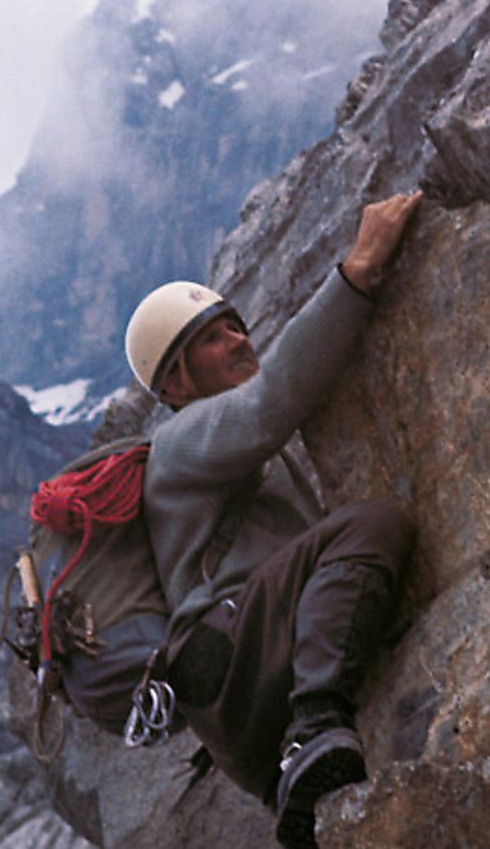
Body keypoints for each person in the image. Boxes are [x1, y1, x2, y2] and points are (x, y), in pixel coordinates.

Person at [122, 190, 423, 849]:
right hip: (238, 660)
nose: (237, 340)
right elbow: (270, 403)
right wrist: (359, 269)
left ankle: (307, 765)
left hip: (242, 721)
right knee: (369, 526)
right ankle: (316, 726)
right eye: (210, 338)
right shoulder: (178, 445)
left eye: (234, 325)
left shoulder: (214, 454)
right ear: (173, 385)